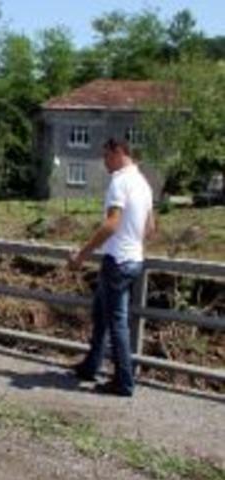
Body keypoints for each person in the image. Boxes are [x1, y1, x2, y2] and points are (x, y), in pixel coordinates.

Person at [69, 138, 155, 397]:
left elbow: (111, 224)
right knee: (101, 314)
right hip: (134, 259)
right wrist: (132, 242)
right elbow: (150, 229)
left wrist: (82, 255)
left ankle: (124, 381)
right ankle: (91, 365)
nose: (104, 161)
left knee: (116, 321)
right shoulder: (144, 183)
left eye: (106, 156)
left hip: (116, 261)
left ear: (119, 153)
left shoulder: (120, 181)